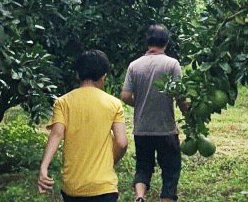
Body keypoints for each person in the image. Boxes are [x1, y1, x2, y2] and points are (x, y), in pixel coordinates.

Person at [38, 50, 128, 202]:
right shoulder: (114, 104)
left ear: (77, 75)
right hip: (104, 187)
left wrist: (44, 167)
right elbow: (121, 142)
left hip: (73, 187)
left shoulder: (63, 102)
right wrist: (110, 162)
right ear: (103, 76)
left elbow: (56, 134)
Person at [121, 24, 187, 202]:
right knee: (171, 169)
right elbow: (180, 96)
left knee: (143, 166)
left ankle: (140, 196)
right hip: (165, 129)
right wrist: (189, 112)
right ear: (166, 42)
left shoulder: (134, 66)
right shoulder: (172, 64)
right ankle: (166, 198)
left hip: (142, 128)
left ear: (148, 42)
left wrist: (140, 102)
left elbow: (125, 95)